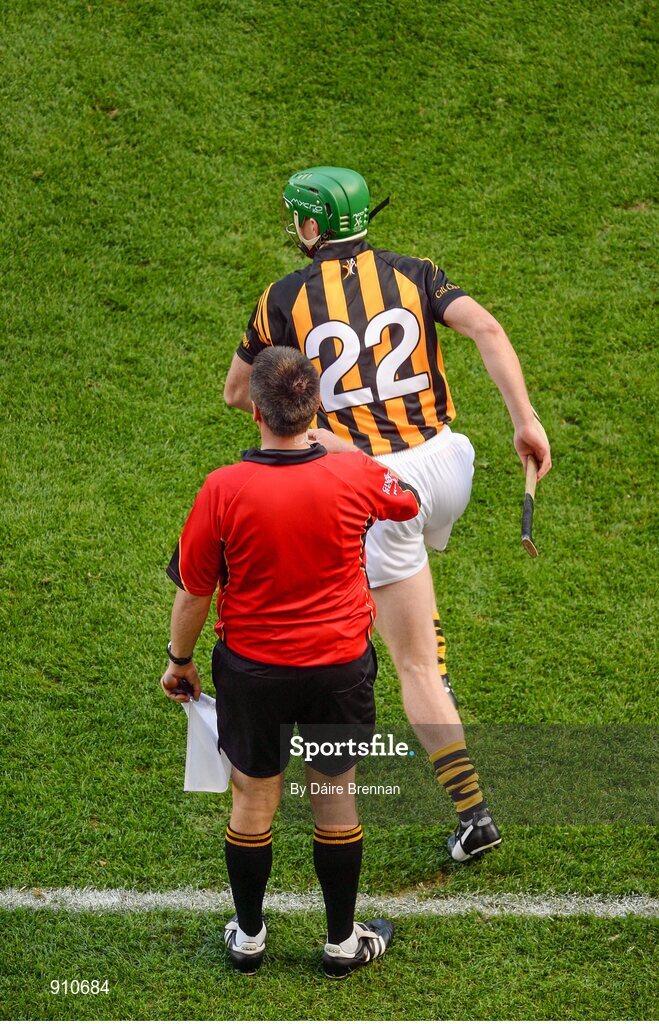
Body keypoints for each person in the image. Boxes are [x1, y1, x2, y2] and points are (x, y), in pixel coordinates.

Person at [223, 166, 552, 862]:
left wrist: (303, 406)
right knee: (406, 577)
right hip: (449, 464)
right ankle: (418, 627)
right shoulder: (416, 273)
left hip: (380, 488)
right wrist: (524, 420)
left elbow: (236, 394)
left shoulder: (282, 297)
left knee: (411, 664)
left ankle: (472, 811)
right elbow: (486, 329)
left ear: (311, 227)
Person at [161, 346, 420, 977]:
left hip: (252, 671)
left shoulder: (224, 488)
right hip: (339, 669)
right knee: (334, 796)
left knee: (253, 796)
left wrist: (179, 661)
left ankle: (249, 938)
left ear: (254, 410)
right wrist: (339, 447)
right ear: (316, 408)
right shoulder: (353, 474)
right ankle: (340, 944)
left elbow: (196, 590)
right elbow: (407, 500)